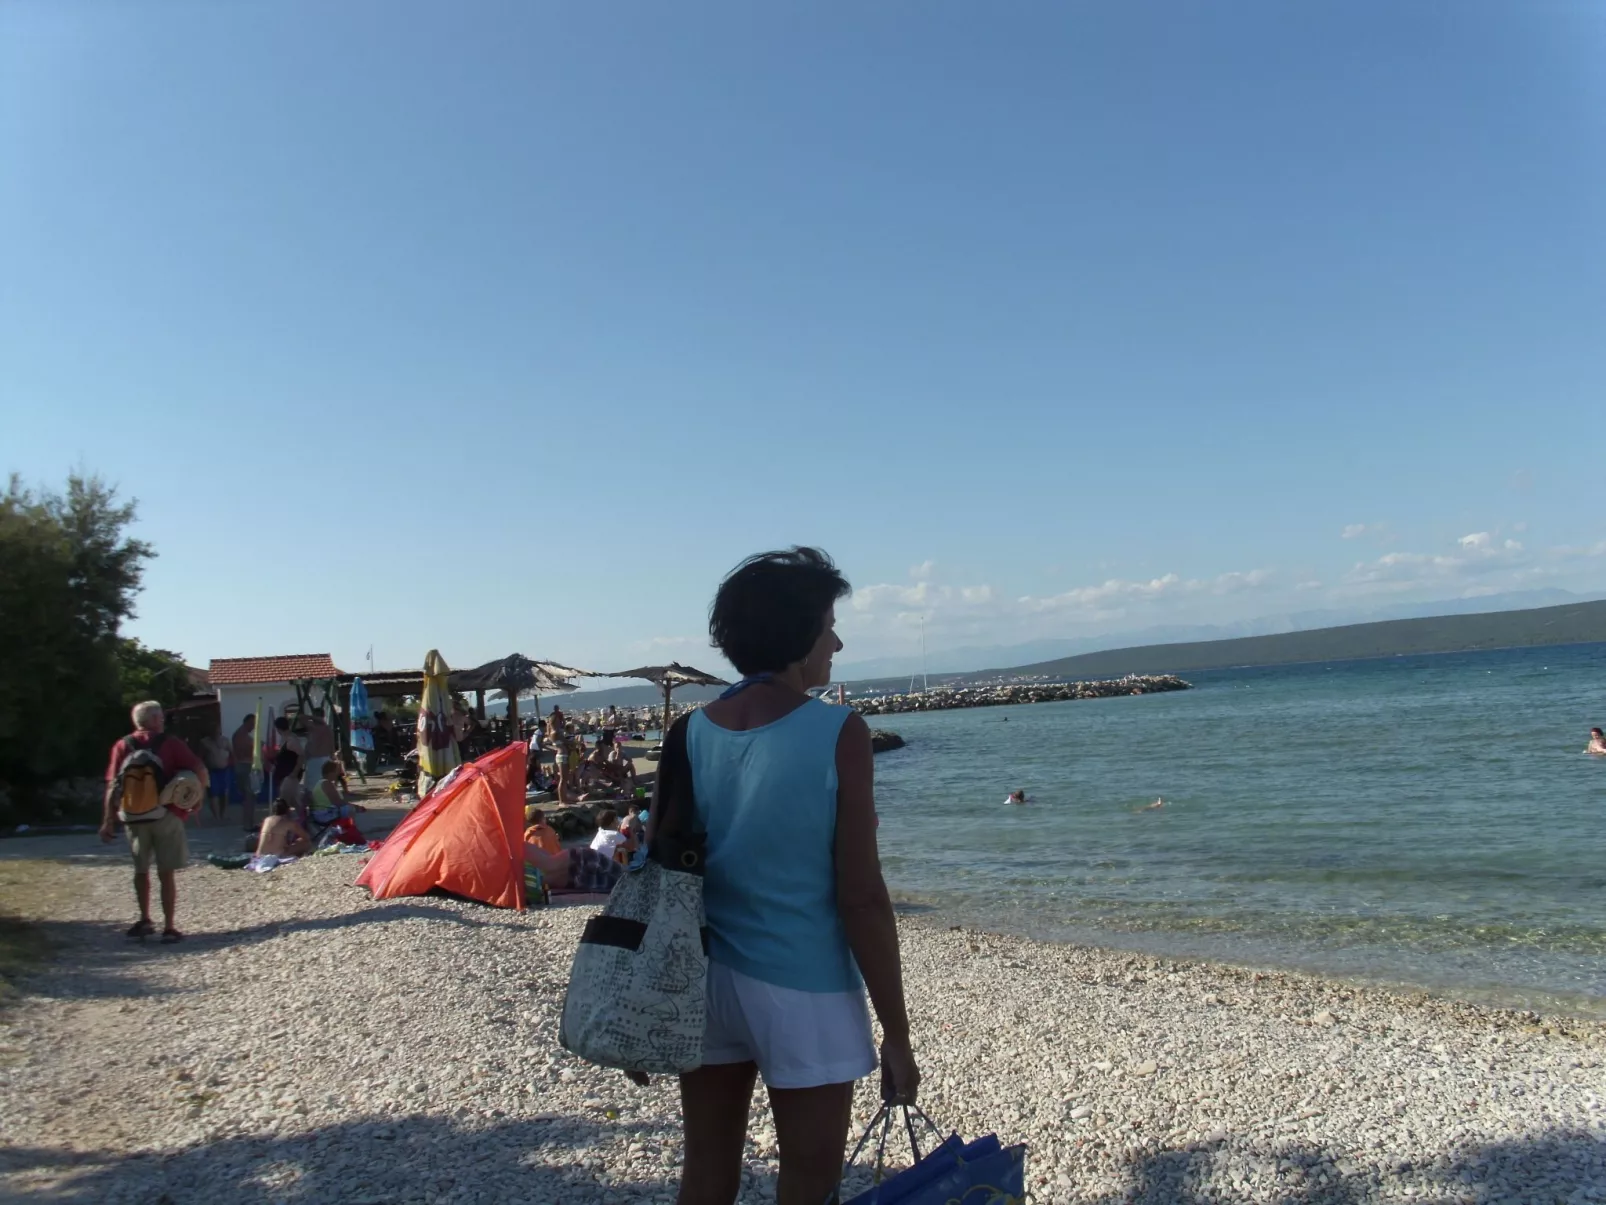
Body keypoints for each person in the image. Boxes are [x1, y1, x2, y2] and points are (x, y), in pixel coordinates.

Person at [658, 547, 917, 1205]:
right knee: (808, 1176)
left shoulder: (688, 733)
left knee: (706, 1168)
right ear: (799, 634)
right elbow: (861, 896)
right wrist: (896, 1031)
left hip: (707, 980)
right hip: (804, 985)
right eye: (829, 625)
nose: (837, 642)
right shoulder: (839, 731)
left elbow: (662, 869)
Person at [99, 700, 210, 943]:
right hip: (165, 814)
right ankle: (169, 927)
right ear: (153, 720)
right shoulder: (170, 743)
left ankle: (144, 918)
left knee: (141, 870)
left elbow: (112, 785)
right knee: (166, 872)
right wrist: (198, 797)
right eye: (160, 717)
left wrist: (108, 819)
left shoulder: (122, 745)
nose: (163, 720)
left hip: (133, 817)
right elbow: (199, 769)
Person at [230, 713, 258, 825]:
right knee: (249, 796)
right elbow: (244, 751)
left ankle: (249, 821)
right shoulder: (240, 735)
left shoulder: (243, 735)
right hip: (245, 767)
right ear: (246, 722)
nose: (253, 727)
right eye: (252, 724)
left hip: (245, 766)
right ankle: (248, 823)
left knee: (250, 796)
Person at [200, 730, 233, 823]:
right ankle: (216, 816)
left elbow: (232, 752)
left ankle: (223, 814)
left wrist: (230, 763)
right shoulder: (205, 742)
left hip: (224, 770)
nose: (215, 732)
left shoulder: (225, 741)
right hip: (211, 771)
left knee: (224, 793)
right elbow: (200, 756)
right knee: (213, 794)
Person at [269, 716, 303, 800]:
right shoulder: (284, 738)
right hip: (282, 773)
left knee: (287, 799)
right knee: (287, 799)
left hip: (289, 774)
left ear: (278, 728)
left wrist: (295, 772)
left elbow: (301, 755)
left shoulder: (291, 740)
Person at [303, 706, 336, 787]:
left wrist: (312, 717)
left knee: (316, 785)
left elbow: (302, 718)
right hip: (320, 758)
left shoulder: (320, 728)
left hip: (317, 759)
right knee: (317, 784)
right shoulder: (323, 728)